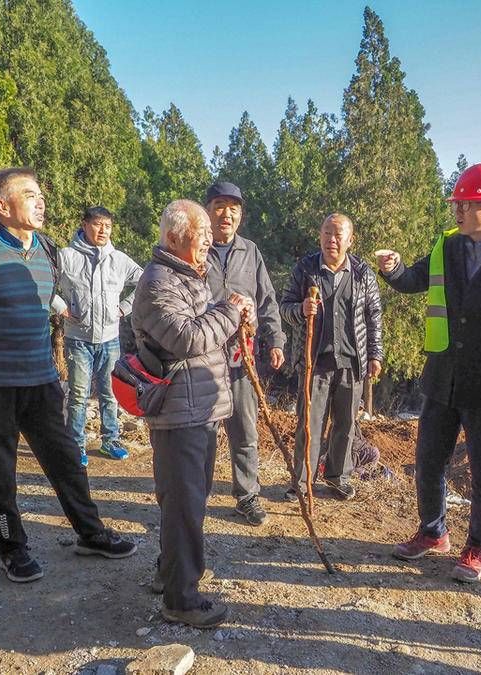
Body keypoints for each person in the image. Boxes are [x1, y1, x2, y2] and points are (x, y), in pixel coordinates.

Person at [0, 167, 136, 583]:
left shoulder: (48, 250)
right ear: (2, 206)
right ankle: (12, 549)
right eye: (29, 194)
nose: (40, 201)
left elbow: (48, 305)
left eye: (41, 194)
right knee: (0, 473)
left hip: (40, 381)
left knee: (67, 460)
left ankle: (91, 534)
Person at [376, 163, 481, 584]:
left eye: (466, 205)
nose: (458, 211)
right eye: (458, 204)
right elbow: (414, 280)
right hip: (444, 378)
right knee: (429, 459)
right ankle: (433, 532)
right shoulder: (446, 246)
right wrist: (394, 269)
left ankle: (478, 547)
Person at [131, 199, 253, 628]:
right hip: (179, 413)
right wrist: (230, 312)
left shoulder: (188, 276)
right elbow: (186, 338)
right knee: (183, 504)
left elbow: (209, 338)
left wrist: (236, 323)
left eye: (206, 234)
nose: (206, 240)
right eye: (198, 234)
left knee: (188, 501)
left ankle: (172, 574)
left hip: (199, 408)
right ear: (173, 238)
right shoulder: (159, 281)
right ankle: (181, 599)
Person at [280, 213, 383, 502]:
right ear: (320, 236)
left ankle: (338, 477)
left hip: (352, 363)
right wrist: (300, 310)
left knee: (347, 424)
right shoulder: (305, 269)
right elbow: (284, 307)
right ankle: (301, 482)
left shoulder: (363, 273)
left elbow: (374, 316)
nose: (332, 240)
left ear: (351, 240)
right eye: (327, 233)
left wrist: (375, 354)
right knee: (309, 424)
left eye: (338, 235)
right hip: (315, 362)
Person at [203, 181, 286, 526]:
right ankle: (197, 494)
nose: (227, 213)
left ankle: (247, 494)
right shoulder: (196, 247)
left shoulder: (250, 251)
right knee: (202, 430)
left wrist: (276, 340)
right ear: (208, 210)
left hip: (241, 356)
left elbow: (267, 299)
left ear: (241, 215)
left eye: (234, 208)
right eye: (220, 205)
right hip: (202, 356)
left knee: (244, 429)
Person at [53, 206, 143, 466]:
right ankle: (75, 445)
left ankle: (110, 441)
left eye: (108, 226)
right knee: (79, 393)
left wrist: (124, 308)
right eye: (97, 224)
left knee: (110, 392)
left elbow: (146, 281)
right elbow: (43, 282)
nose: (103, 230)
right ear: (84, 225)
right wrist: (61, 307)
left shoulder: (119, 259)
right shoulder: (67, 256)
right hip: (78, 339)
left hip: (109, 338)